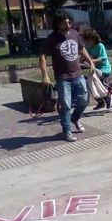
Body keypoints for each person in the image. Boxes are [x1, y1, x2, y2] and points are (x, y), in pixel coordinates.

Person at [40, 12, 95, 142]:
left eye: (69, 22)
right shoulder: (52, 39)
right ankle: (67, 131)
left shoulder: (75, 34)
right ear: (58, 24)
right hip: (63, 78)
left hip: (78, 75)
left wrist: (91, 62)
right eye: (64, 22)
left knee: (84, 100)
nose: (68, 24)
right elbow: (42, 56)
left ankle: (75, 118)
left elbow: (81, 49)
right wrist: (45, 76)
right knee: (66, 106)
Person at [82, 28, 112, 110]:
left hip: (104, 69)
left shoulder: (100, 46)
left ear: (93, 38)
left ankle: (106, 97)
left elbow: (103, 58)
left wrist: (90, 61)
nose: (87, 42)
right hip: (96, 70)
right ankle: (100, 101)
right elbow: (85, 56)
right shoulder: (90, 47)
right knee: (89, 82)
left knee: (91, 77)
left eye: (88, 40)